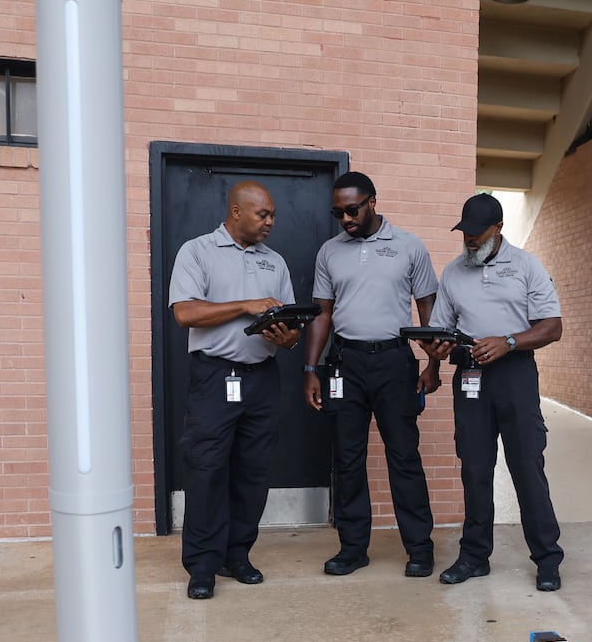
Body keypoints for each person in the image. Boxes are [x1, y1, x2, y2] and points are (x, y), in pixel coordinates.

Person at [419, 193, 564, 592]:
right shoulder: (452, 273)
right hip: (469, 376)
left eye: (476, 233)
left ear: (498, 229)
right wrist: (434, 357)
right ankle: (474, 556)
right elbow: (442, 327)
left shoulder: (526, 267)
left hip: (515, 374)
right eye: (464, 232)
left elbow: (552, 326)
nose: (469, 240)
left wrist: (510, 342)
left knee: (527, 467)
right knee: (475, 468)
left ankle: (547, 559)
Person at [302, 172, 440, 578]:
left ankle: (419, 548)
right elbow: (322, 313)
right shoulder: (330, 252)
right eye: (337, 212)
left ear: (372, 201)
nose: (344, 218)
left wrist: (433, 363)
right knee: (347, 459)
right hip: (345, 364)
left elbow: (428, 307)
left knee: (404, 457)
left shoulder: (409, 246)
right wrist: (312, 369)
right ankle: (352, 548)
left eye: (352, 209)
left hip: (395, 363)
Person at [169, 181, 300, 600]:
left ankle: (237, 555)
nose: (270, 223)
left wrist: (287, 338)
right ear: (236, 212)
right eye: (263, 215)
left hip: (262, 378)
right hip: (214, 378)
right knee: (206, 470)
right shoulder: (197, 251)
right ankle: (203, 566)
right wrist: (245, 305)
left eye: (273, 215)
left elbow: (292, 329)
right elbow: (186, 312)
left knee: (253, 471)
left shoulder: (274, 261)